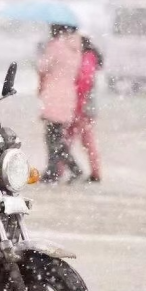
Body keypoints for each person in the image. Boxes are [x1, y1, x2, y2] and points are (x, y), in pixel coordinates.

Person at [38, 23, 83, 184]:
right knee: (57, 136)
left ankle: (54, 171)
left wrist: (41, 55)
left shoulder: (56, 46)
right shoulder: (76, 49)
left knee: (52, 136)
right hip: (68, 94)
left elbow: (43, 66)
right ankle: (67, 169)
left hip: (54, 94)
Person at [66, 36, 103, 182]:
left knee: (72, 139)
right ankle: (94, 172)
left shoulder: (86, 58)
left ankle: (61, 169)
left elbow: (83, 83)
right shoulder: (90, 57)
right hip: (84, 106)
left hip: (82, 107)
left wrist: (78, 107)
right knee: (79, 140)